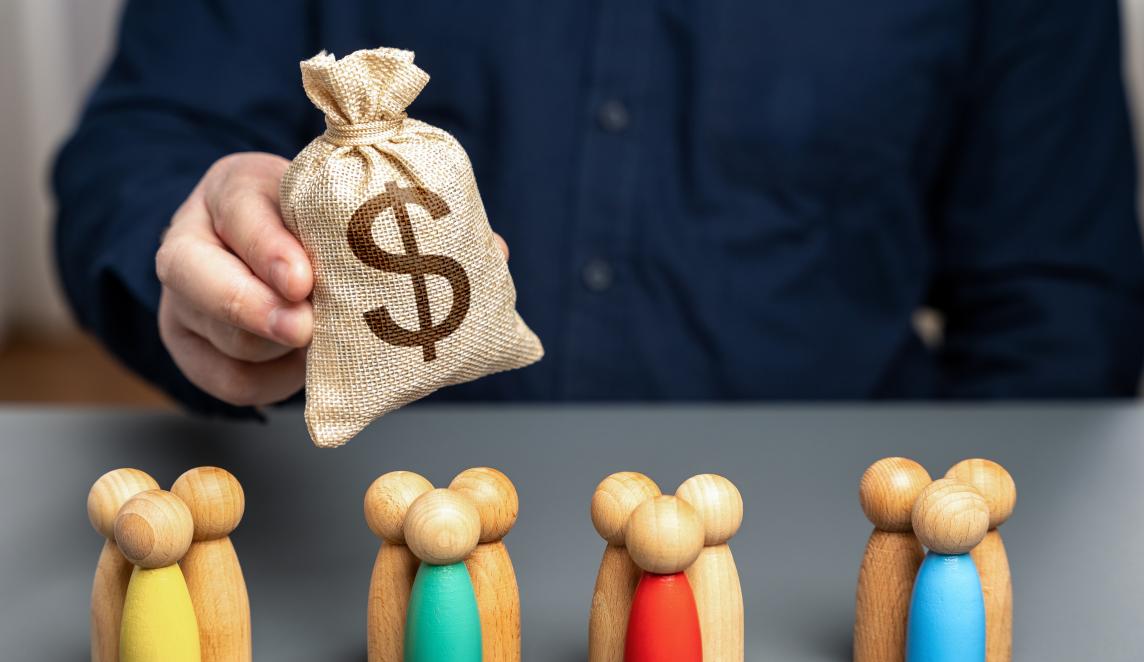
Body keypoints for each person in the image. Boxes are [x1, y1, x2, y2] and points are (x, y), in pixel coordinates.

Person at [54, 1, 1144, 418]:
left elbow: (1058, 306)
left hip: (833, 574)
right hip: (348, 544)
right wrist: (198, 248)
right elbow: (137, 152)